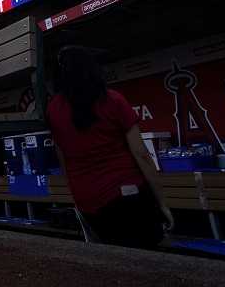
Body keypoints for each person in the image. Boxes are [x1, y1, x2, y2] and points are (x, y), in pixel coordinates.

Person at [47, 47, 172, 248]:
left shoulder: (54, 108)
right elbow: (141, 154)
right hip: (127, 197)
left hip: (89, 202)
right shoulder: (112, 99)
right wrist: (162, 203)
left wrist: (78, 197)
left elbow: (62, 158)